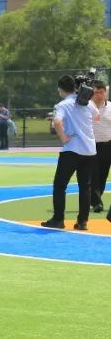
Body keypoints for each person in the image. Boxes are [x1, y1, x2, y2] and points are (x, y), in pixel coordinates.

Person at [41, 75, 98, 230]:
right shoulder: (87, 102)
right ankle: (82, 222)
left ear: (60, 89)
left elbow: (57, 121)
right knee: (85, 187)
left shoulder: (63, 105)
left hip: (72, 150)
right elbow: (97, 117)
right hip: (89, 150)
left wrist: (64, 137)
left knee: (60, 185)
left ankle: (58, 219)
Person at [88, 81, 110, 214]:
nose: (98, 95)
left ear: (105, 93)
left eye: (101, 92)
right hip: (91, 146)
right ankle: (96, 203)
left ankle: (96, 199)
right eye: (96, 92)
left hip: (107, 145)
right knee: (93, 174)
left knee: (103, 174)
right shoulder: (86, 107)